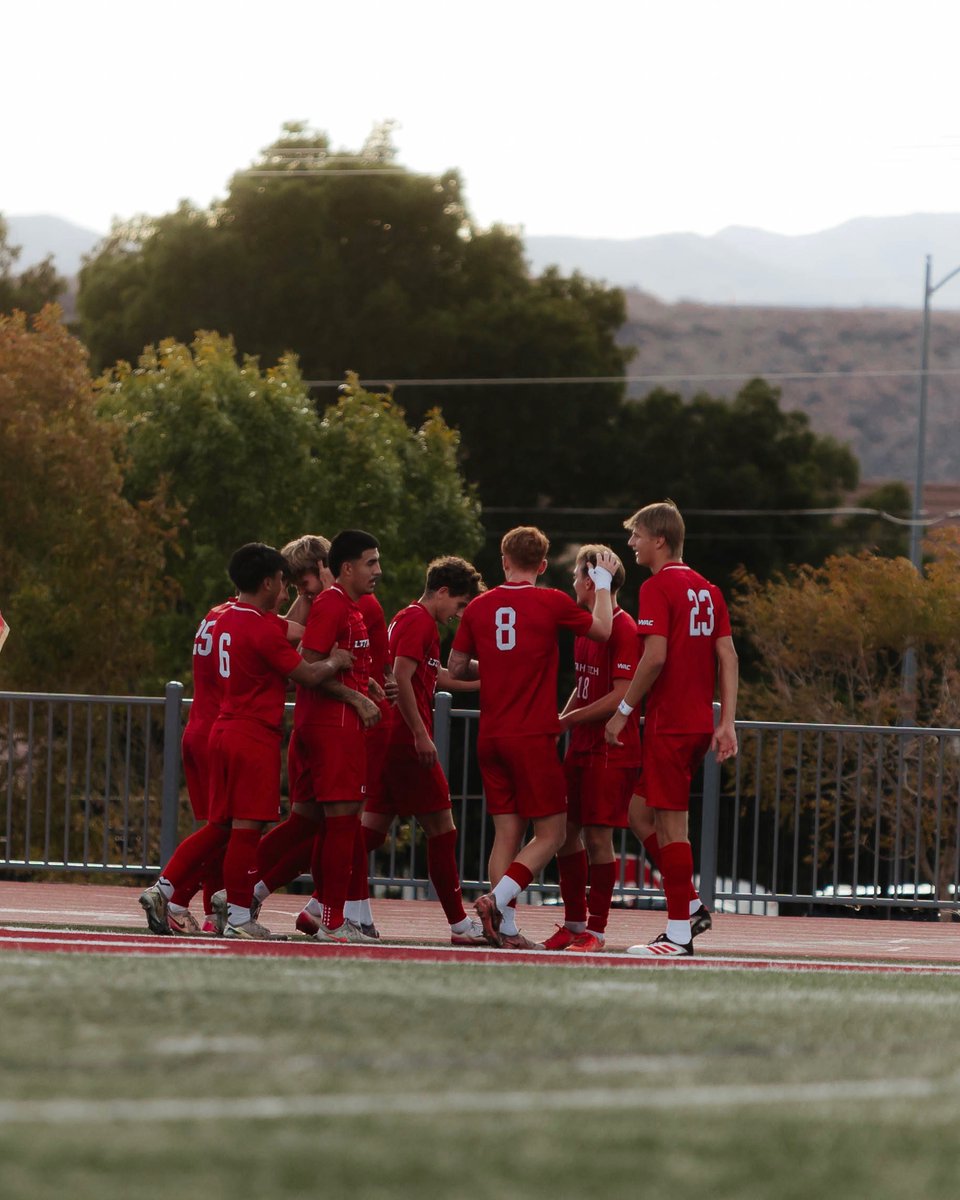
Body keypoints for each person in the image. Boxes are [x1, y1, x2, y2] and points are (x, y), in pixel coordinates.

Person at [139, 542, 353, 939]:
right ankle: (232, 915)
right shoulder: (261, 626)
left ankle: (168, 891)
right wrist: (335, 656)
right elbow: (306, 671)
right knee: (244, 831)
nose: (286, 592)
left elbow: (290, 631)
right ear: (268, 582)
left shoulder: (224, 616)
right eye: (284, 583)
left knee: (220, 827)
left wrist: (312, 599)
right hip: (250, 734)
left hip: (218, 727)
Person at [448, 526, 617, 949]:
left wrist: (496, 667)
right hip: (532, 736)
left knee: (507, 834)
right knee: (552, 834)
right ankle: (496, 901)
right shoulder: (552, 601)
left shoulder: (479, 607)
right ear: (542, 565)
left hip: (491, 734)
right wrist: (602, 584)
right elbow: (603, 629)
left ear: (504, 560)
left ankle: (505, 929)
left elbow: (457, 667)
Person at [604, 501, 738, 958]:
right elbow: (728, 657)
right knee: (638, 815)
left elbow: (655, 657)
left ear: (659, 539)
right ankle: (692, 905)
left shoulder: (657, 586)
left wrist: (623, 709)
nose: (632, 542)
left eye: (637, 535)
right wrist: (725, 722)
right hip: (696, 722)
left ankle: (679, 934)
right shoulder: (708, 589)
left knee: (672, 827)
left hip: (671, 724)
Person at [356, 556, 487, 945]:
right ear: (442, 592)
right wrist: (419, 734)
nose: (459, 615)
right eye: (460, 605)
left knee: (367, 834)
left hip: (390, 737)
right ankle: (459, 924)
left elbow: (434, 676)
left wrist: (487, 681)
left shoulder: (408, 617)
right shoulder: (420, 621)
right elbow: (402, 676)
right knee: (443, 830)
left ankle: (322, 904)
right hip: (405, 739)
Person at [543, 545, 641, 953]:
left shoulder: (624, 628)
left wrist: (568, 721)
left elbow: (620, 695)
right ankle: (574, 923)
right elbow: (583, 688)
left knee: (599, 838)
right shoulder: (589, 627)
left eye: (576, 576)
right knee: (565, 834)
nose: (572, 583)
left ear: (591, 581)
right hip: (582, 746)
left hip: (609, 749)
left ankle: (596, 931)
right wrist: (562, 719)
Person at [289, 529, 385, 943]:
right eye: (371, 562)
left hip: (341, 726)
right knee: (341, 826)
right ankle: (330, 918)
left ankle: (326, 915)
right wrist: (356, 697)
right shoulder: (331, 603)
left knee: (337, 827)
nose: (378, 571)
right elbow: (306, 667)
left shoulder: (348, 604)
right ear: (346, 568)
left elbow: (343, 661)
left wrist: (366, 684)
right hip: (333, 726)